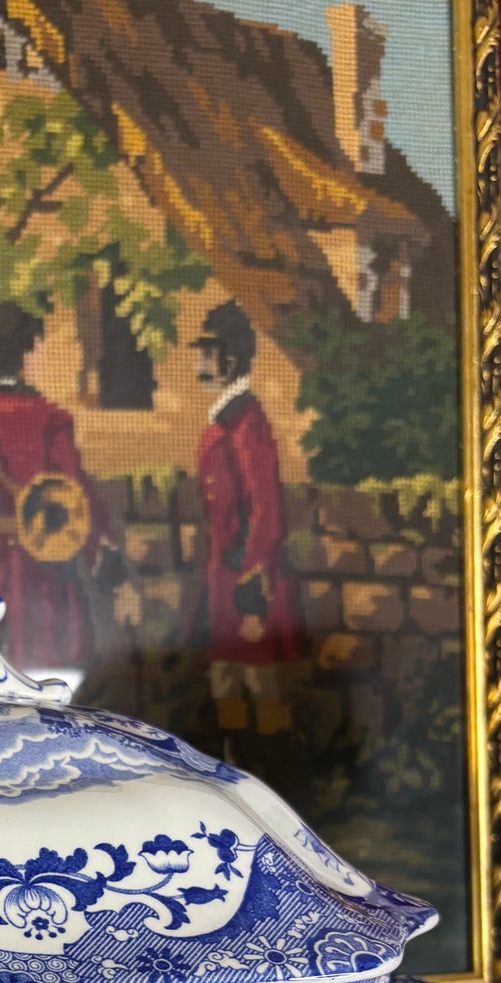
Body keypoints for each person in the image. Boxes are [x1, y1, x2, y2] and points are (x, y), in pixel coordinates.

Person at [0, 301, 123, 688]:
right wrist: (94, 550)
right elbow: (76, 500)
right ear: (26, 351)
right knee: (52, 678)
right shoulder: (51, 418)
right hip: (48, 566)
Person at [186, 300, 302, 764]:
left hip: (249, 582)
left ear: (229, 360)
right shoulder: (225, 421)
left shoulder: (247, 424)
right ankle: (234, 776)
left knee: (260, 686)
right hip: (223, 579)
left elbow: (267, 512)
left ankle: (272, 783)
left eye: (206, 352)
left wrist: (251, 584)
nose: (198, 362)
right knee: (225, 683)